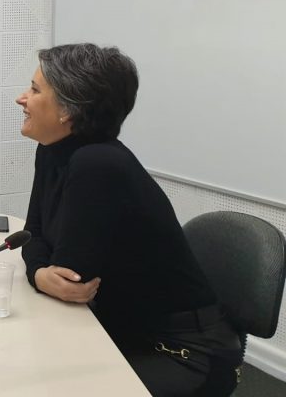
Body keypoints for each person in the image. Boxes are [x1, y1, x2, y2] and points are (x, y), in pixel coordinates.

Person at [17, 43, 242, 397]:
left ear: (67, 111)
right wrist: (40, 273)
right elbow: (33, 236)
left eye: (34, 89)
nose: (22, 98)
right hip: (121, 328)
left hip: (179, 350)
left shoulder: (98, 164)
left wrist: (43, 271)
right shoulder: (52, 151)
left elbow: (73, 279)